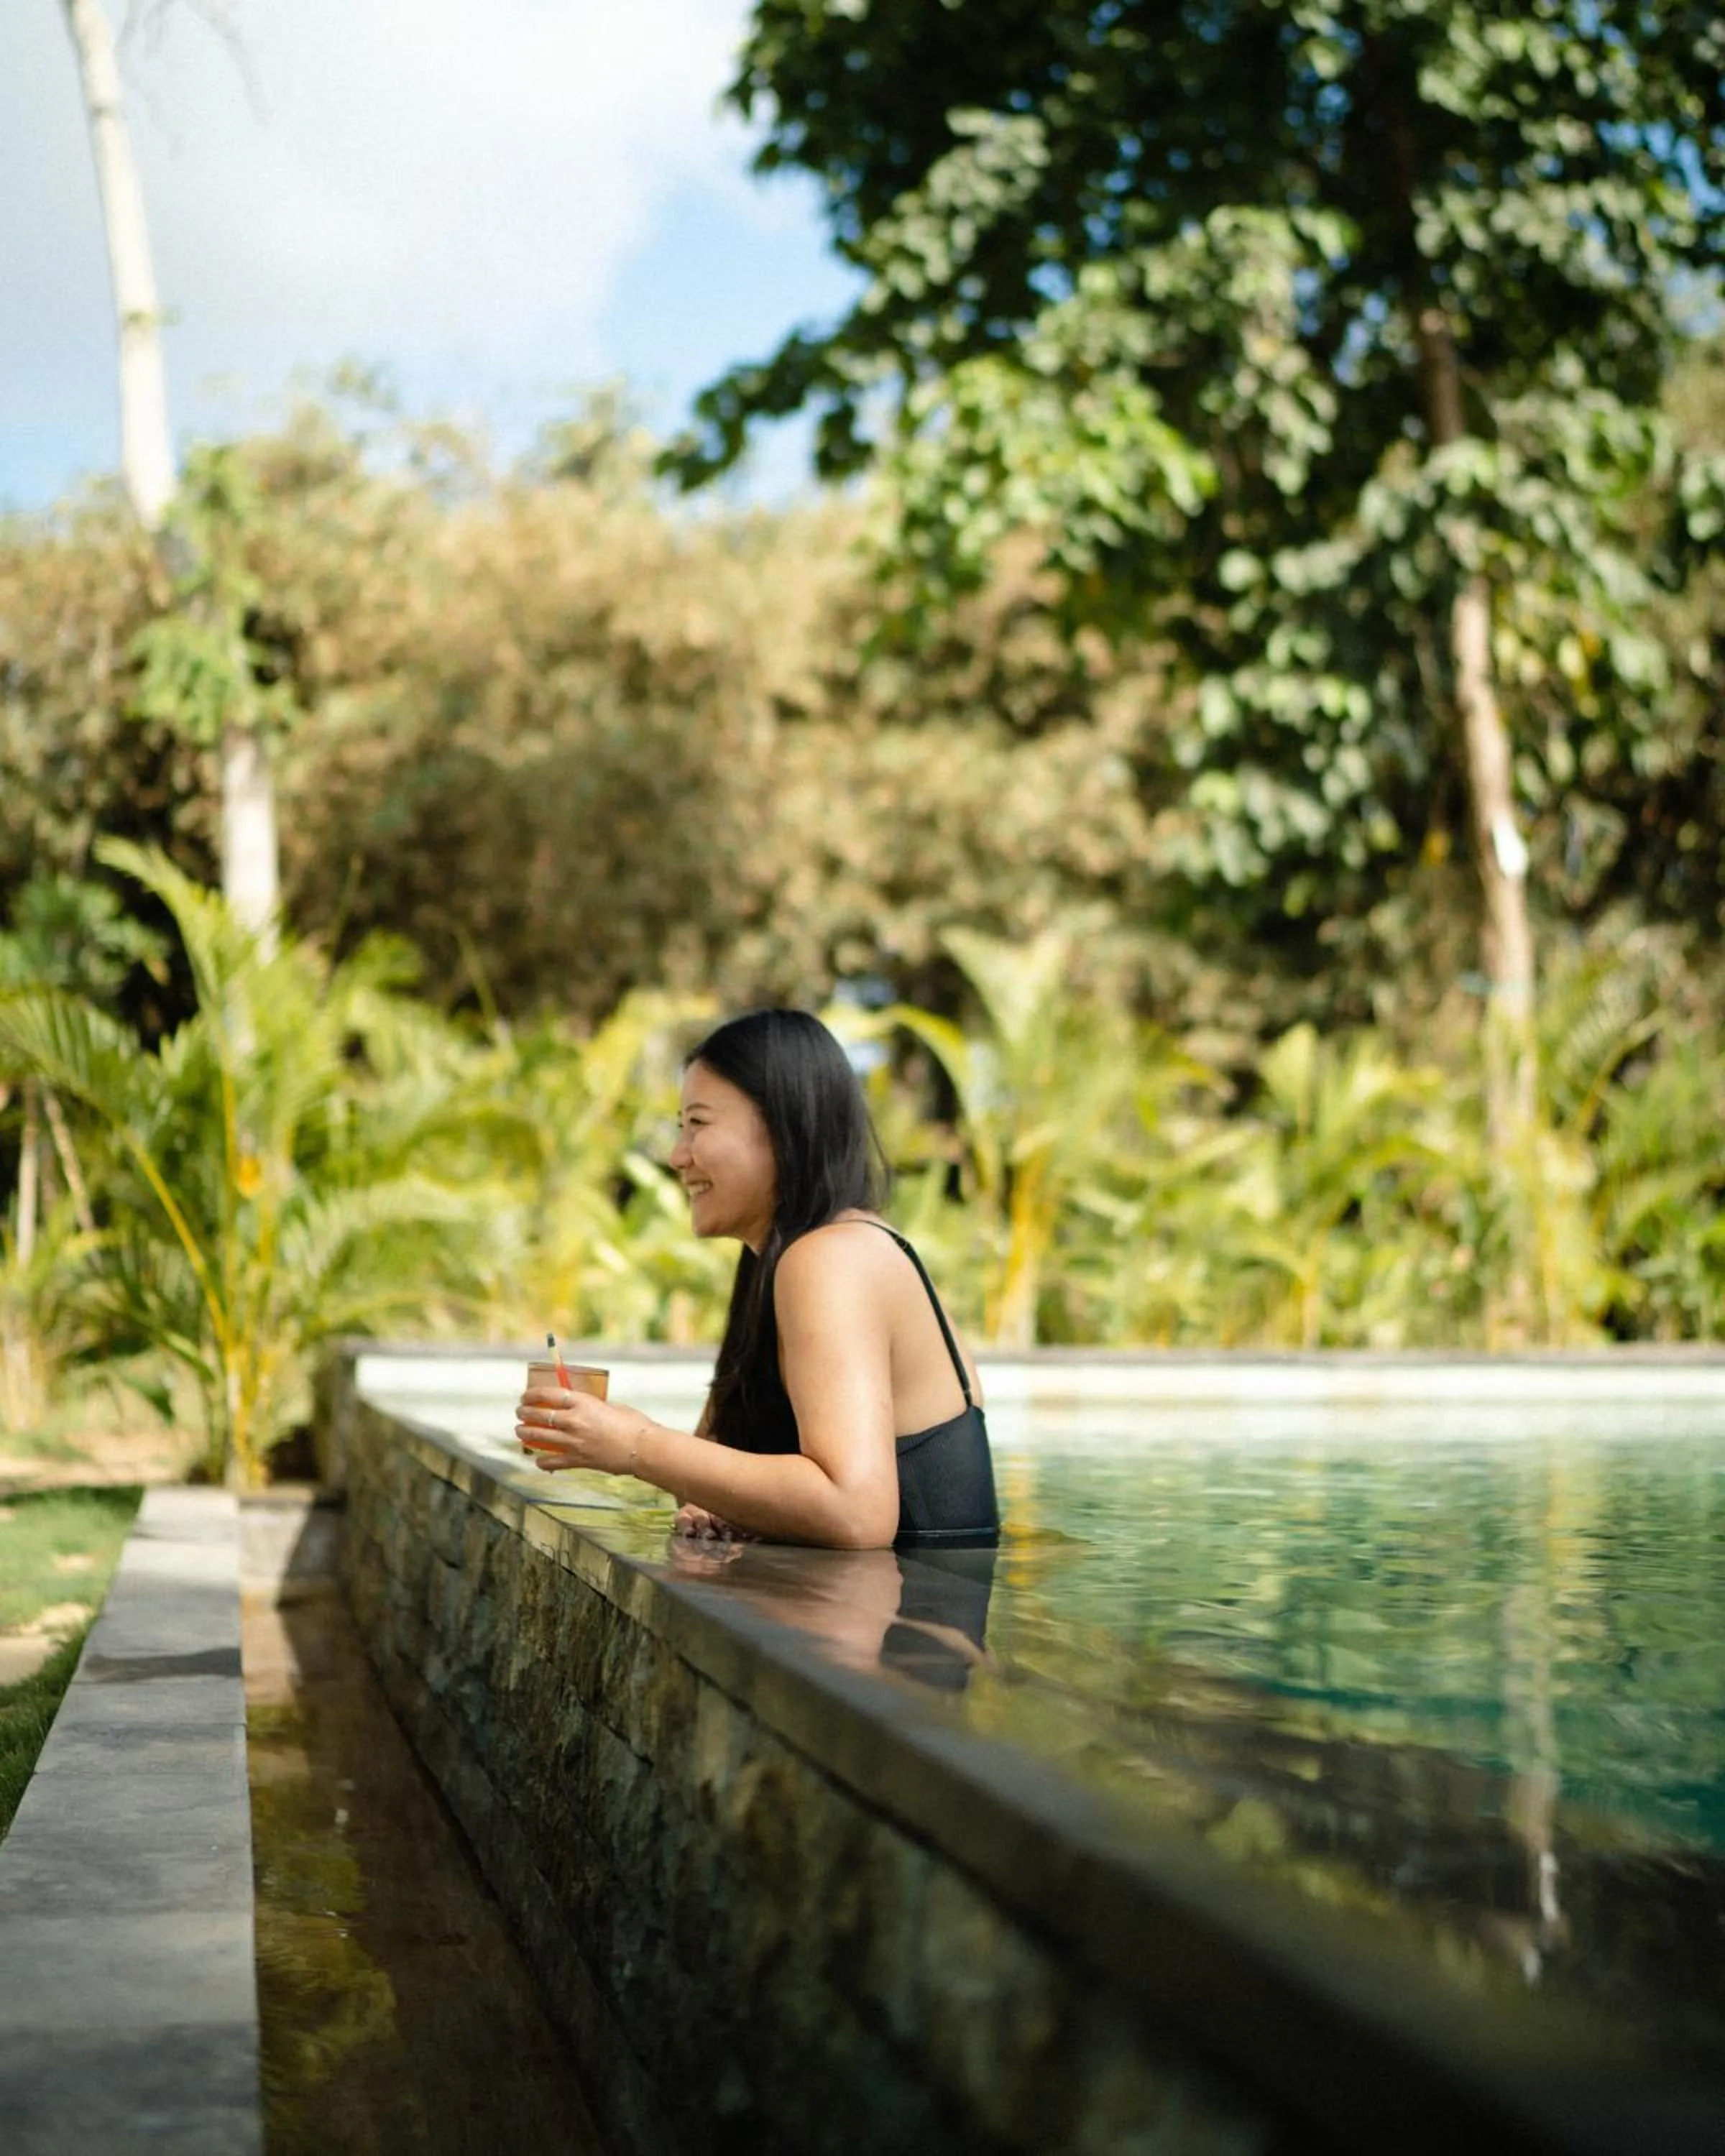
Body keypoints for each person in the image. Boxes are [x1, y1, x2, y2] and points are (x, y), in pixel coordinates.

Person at [514, 1008, 1000, 1551]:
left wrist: (634, 1445)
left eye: (698, 1124)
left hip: (906, 1627)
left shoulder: (832, 1259)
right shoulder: (775, 1258)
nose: (678, 1156)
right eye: (680, 1129)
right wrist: (709, 1497)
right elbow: (720, 1457)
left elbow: (857, 1512)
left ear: (781, 1128)